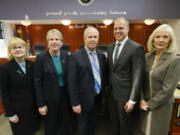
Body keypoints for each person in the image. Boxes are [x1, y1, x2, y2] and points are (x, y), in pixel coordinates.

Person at [139, 24, 180, 135]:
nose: (161, 40)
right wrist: (142, 100)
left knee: (156, 132)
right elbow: (141, 81)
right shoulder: (147, 57)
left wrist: (149, 104)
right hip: (144, 104)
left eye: (165, 37)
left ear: (170, 41)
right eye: (158, 37)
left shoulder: (174, 60)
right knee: (144, 131)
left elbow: (168, 90)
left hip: (161, 106)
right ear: (153, 40)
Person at [107, 17, 145, 135]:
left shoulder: (136, 48)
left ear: (128, 29)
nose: (117, 31)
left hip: (126, 96)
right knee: (114, 123)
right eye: (115, 28)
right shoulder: (110, 47)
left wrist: (132, 100)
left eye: (121, 28)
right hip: (111, 93)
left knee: (125, 126)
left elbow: (138, 76)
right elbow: (111, 70)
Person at [67, 26, 107, 135]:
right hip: (82, 101)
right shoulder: (75, 56)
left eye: (95, 37)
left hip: (97, 99)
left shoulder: (101, 56)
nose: (93, 39)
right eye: (90, 37)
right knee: (82, 128)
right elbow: (71, 82)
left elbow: (103, 77)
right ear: (85, 39)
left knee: (93, 126)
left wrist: (104, 96)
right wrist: (75, 103)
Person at [34, 29, 70, 135]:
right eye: (51, 39)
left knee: (65, 124)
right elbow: (37, 82)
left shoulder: (66, 56)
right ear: (47, 42)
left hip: (64, 95)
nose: (54, 42)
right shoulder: (41, 57)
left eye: (57, 39)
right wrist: (41, 104)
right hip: (49, 97)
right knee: (51, 125)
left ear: (61, 42)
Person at [0, 37, 40, 135]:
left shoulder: (32, 64)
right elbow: (4, 93)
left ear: (25, 49)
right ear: (10, 51)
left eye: (20, 47)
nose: (18, 49)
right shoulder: (4, 68)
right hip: (17, 111)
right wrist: (10, 114)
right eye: (14, 48)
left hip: (32, 109)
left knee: (33, 131)